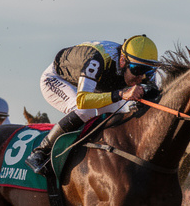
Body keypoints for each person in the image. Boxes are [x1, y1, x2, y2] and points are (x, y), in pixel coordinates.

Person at [26, 35, 159, 174]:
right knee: (84, 111)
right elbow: (83, 100)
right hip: (57, 79)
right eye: (137, 70)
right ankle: (40, 152)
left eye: (148, 72)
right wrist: (121, 94)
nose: (141, 77)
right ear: (122, 61)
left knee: (124, 110)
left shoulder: (141, 68)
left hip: (93, 86)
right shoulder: (97, 60)